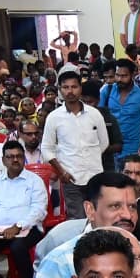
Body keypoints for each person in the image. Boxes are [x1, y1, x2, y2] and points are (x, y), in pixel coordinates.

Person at [0, 140, 48, 278]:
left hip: (29, 229)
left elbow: (39, 210)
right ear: (3, 160)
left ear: (24, 158)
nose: (15, 160)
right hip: (0, 230)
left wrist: (18, 226)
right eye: (10, 157)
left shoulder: (34, 181)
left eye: (19, 156)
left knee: (17, 247)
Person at [43, 70, 111, 215]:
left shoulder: (94, 114)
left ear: (80, 88)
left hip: (95, 176)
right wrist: (62, 172)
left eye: (74, 87)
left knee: (98, 216)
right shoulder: (54, 117)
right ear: (60, 90)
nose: (70, 91)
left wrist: (91, 156)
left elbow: (104, 143)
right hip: (71, 179)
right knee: (77, 219)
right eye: (65, 87)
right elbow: (47, 149)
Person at [100, 60, 140, 172]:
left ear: (133, 75)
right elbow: (98, 115)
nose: (119, 79)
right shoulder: (107, 91)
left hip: (132, 150)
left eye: (124, 76)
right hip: (109, 149)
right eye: (117, 75)